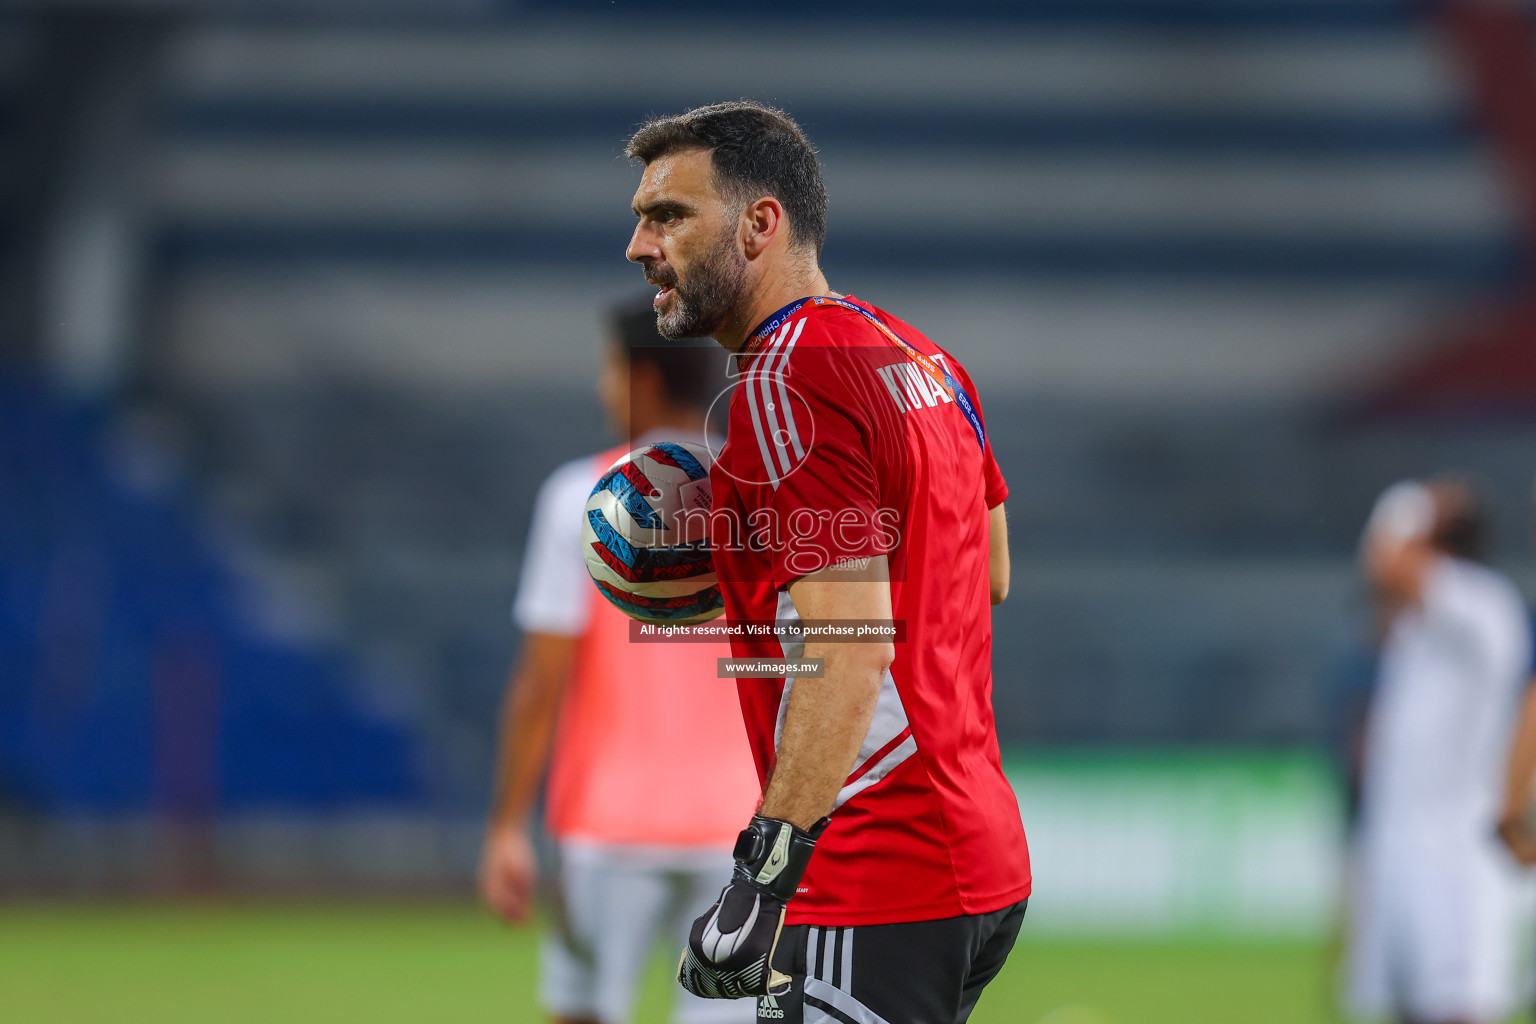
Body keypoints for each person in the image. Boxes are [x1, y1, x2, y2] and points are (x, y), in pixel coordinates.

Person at [623, 101, 1029, 1024]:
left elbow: (850, 646)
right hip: (981, 851)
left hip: (876, 869)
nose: (640, 245)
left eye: (669, 216)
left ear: (761, 224)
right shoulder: (921, 356)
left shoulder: (778, 386)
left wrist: (758, 882)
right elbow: (989, 569)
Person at [480, 299, 761, 1024]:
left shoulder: (580, 498)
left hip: (608, 826)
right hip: (739, 831)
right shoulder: (764, 497)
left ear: (643, 380)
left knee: (582, 1013)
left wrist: (508, 825)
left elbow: (540, 682)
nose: (603, 388)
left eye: (609, 370)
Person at [1345, 476, 1531, 1024]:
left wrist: (1408, 503)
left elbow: (1385, 563)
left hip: (1455, 851)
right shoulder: (1413, 629)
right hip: (1397, 845)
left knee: (1457, 1005)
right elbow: (1382, 594)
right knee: (1395, 1005)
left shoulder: (1480, 602)